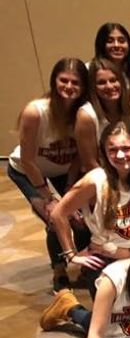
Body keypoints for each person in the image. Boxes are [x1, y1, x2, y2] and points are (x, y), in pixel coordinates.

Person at [45, 121, 130, 300]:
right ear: (104, 152)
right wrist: (71, 255)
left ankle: (71, 309)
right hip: (105, 261)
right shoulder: (95, 180)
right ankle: (70, 309)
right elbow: (59, 214)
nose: (120, 155)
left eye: (127, 148)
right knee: (110, 317)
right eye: (113, 150)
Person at [7, 57, 89, 291]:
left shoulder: (83, 112)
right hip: (28, 172)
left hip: (64, 171)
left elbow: (78, 155)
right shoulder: (35, 111)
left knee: (81, 219)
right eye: (64, 80)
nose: (69, 87)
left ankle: (85, 267)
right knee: (55, 217)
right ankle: (59, 270)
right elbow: (28, 160)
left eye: (76, 82)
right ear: (54, 81)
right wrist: (49, 197)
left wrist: (70, 188)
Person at [77, 59, 130, 172]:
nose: (109, 86)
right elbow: (90, 163)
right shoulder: (86, 115)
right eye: (101, 83)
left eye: (113, 80)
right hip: (102, 174)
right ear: (93, 87)